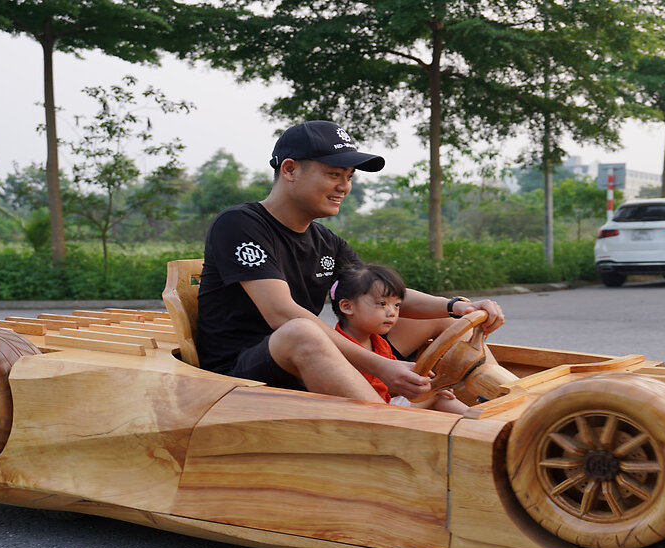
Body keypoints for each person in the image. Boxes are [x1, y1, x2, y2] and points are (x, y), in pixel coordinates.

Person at [195, 119, 504, 403]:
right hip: (241, 377)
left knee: (447, 318)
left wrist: (456, 306)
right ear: (289, 169)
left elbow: (382, 295)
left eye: (348, 176)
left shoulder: (326, 242)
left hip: (310, 359)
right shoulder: (239, 224)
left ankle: (506, 401)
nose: (344, 187)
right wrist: (383, 367)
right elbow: (282, 314)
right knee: (300, 330)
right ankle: (393, 432)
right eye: (333, 174)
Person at [328, 263, 468, 413]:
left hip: (385, 405)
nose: (392, 313)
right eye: (382, 304)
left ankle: (485, 424)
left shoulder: (378, 342)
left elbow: (395, 383)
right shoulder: (339, 348)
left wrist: (429, 386)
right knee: (438, 396)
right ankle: (485, 427)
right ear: (347, 307)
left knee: (441, 395)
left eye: (396, 305)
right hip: (366, 414)